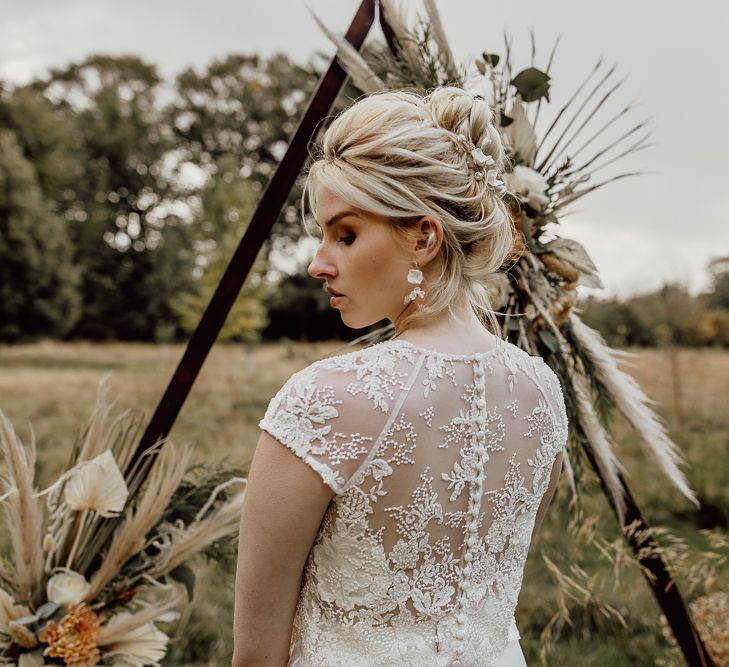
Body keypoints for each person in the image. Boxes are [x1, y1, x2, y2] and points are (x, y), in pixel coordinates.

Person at [232, 87, 568, 667]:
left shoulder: (324, 401)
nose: (318, 263)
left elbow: (257, 656)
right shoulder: (543, 394)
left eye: (345, 234)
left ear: (424, 236)